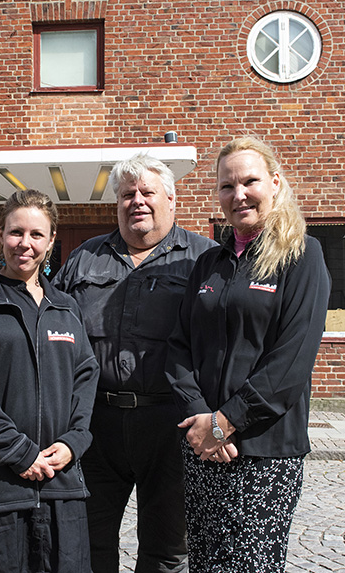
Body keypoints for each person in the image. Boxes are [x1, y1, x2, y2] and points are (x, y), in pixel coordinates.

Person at [166, 137, 331, 573]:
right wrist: (201, 418)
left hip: (262, 451)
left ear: (275, 183)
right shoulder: (208, 263)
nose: (238, 195)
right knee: (204, 562)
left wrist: (226, 422)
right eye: (226, 186)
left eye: (249, 181)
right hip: (202, 446)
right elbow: (179, 347)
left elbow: (291, 363)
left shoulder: (302, 256)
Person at [52, 153, 217, 573]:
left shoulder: (205, 259)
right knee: (87, 542)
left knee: (167, 548)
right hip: (97, 424)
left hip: (172, 424)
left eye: (148, 192)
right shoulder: (84, 258)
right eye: (128, 194)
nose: (137, 201)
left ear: (172, 200)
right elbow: (51, 330)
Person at [0, 189, 99, 573]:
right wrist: (18, 452)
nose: (24, 244)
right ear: (0, 236)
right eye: (16, 233)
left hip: (61, 485)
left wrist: (74, 442)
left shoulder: (65, 307)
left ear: (50, 242)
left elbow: (85, 377)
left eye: (36, 235)